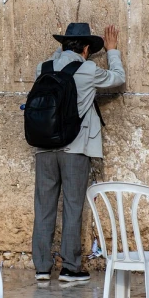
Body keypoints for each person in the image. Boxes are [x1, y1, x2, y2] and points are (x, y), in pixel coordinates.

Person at [33, 22, 126, 282]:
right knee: (73, 207)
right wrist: (112, 51)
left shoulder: (43, 67)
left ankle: (41, 267)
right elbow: (118, 78)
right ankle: (70, 267)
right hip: (76, 147)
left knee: (44, 207)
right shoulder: (88, 69)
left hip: (44, 146)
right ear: (86, 49)